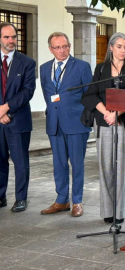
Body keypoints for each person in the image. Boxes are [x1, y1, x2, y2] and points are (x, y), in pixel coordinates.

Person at [81, 32, 125, 224]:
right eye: (119, 46)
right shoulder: (101, 69)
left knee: (121, 169)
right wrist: (106, 113)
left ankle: (119, 212)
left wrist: (117, 114)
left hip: (124, 125)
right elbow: (90, 95)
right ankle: (108, 211)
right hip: (104, 123)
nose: (123, 51)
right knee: (106, 168)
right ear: (111, 48)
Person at [39, 32, 92, 217]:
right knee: (59, 163)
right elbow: (47, 94)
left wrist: (87, 120)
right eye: (58, 47)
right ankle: (62, 200)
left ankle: (77, 201)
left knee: (77, 164)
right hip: (54, 123)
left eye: (65, 46)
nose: (62, 50)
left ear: (69, 46)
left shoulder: (82, 66)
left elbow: (89, 95)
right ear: (51, 49)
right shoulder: (44, 68)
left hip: (76, 123)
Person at [0, 22, 36, 212]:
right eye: (6, 37)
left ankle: (21, 198)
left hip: (18, 120)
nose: (11, 40)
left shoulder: (27, 62)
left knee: (20, 162)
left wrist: (6, 109)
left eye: (14, 36)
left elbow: (27, 92)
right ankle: (0, 197)